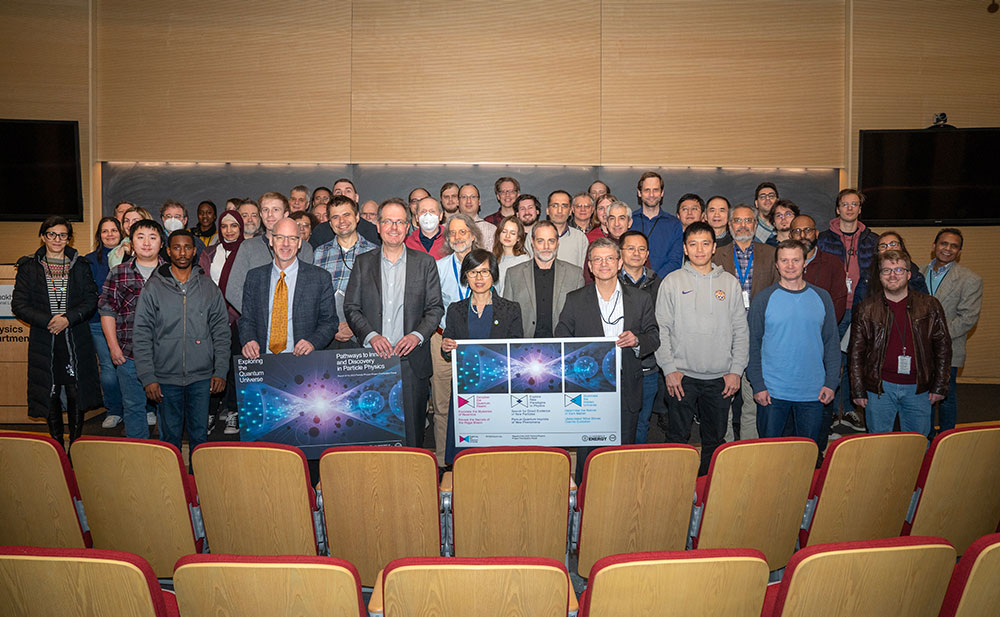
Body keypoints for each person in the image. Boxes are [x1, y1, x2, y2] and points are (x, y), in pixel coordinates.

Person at [556, 238, 659, 482]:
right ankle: (583, 505)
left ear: (619, 262)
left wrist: (636, 341)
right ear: (590, 266)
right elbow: (561, 337)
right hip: (588, 388)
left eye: (610, 258)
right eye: (597, 259)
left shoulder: (640, 299)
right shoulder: (575, 299)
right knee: (588, 455)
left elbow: (653, 336)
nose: (604, 264)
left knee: (622, 454)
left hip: (627, 385)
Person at [344, 199, 445, 447]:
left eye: (399, 221)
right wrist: (371, 336)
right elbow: (351, 307)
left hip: (411, 362)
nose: (393, 227)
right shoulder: (362, 263)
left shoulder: (425, 263)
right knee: (370, 434)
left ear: (408, 226)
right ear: (378, 226)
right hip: (370, 362)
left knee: (412, 438)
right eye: (387, 221)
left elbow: (435, 309)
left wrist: (416, 336)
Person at [655, 222, 747, 474]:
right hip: (681, 377)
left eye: (705, 243)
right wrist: (669, 368)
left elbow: (741, 330)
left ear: (714, 247)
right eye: (693, 244)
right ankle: (675, 488)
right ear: (685, 249)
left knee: (714, 441)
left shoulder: (729, 283)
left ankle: (707, 491)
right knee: (677, 439)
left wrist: (736, 370)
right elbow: (661, 328)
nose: (699, 249)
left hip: (720, 378)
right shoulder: (672, 281)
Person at [132, 230, 230, 460]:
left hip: (201, 378)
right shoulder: (153, 288)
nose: (182, 252)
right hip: (165, 379)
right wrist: (148, 377)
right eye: (176, 247)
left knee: (200, 438)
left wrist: (220, 371)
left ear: (195, 251)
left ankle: (198, 490)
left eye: (187, 247)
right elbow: (142, 334)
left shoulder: (208, 288)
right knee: (169, 439)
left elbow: (222, 332)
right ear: (168, 251)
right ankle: (173, 493)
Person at [12, 217, 100, 450]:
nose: (57, 239)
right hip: (45, 338)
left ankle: (76, 444)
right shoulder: (29, 266)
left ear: (68, 238)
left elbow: (91, 300)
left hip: (74, 337)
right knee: (49, 389)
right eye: (51, 234)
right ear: (43, 236)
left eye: (62, 235)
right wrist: (50, 321)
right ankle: (58, 445)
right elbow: (19, 305)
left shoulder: (80, 265)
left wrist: (67, 319)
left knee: (75, 389)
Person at [849, 249, 951, 436]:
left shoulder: (930, 305)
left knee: (917, 445)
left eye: (898, 270)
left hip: (919, 388)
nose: (892, 275)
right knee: (879, 444)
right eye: (886, 270)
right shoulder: (866, 308)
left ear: (909, 274)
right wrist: (858, 390)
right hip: (879, 389)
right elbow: (856, 352)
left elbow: (943, 348)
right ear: (879, 276)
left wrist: (939, 386)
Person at [748, 240, 840, 445]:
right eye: (784, 260)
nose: (790, 265)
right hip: (772, 393)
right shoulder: (763, 299)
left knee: (806, 457)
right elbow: (752, 346)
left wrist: (831, 382)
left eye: (795, 260)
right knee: (770, 456)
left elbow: (832, 343)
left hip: (813, 393)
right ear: (777, 265)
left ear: (805, 262)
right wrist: (758, 385)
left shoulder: (822, 297)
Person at [440, 250, 524, 463]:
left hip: (499, 391)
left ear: (493, 275)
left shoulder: (510, 309)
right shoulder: (455, 310)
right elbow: (447, 349)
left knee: (498, 455)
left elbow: (517, 352)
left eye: (484, 272)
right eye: (473, 272)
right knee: (466, 457)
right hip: (465, 392)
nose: (479, 278)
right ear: (465, 276)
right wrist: (446, 346)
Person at [712, 203, 778, 441]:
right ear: (730, 225)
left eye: (748, 220)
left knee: (754, 396)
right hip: (725, 336)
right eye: (737, 221)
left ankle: (750, 445)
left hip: (760, 335)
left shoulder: (771, 254)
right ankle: (727, 445)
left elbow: (778, 293)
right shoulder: (715, 255)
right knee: (724, 396)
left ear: (755, 224)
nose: (742, 225)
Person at [816, 188, 879, 428]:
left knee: (856, 361)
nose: (850, 208)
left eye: (854, 204)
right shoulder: (824, 238)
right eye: (845, 204)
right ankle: (830, 410)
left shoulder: (872, 240)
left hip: (862, 309)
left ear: (860, 209)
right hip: (833, 308)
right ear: (837, 209)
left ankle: (850, 409)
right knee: (830, 360)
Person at [100, 219, 166, 438]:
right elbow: (107, 311)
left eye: (153, 237)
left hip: (167, 356)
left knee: (168, 410)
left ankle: (169, 460)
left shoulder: (172, 273)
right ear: (131, 243)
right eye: (140, 237)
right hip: (129, 354)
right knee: (133, 407)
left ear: (161, 243)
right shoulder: (118, 273)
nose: (146, 243)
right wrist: (113, 348)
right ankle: (139, 460)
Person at [239, 217, 337, 363]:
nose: (286, 244)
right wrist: (249, 340)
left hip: (303, 362)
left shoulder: (320, 278)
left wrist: (312, 342)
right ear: (271, 241)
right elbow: (247, 319)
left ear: (299, 243)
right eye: (280, 238)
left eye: (292, 238)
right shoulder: (254, 277)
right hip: (262, 361)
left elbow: (329, 322)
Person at [430, 213, 485, 467]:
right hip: (443, 342)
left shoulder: (487, 264)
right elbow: (431, 306)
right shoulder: (438, 267)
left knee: (478, 404)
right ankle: (444, 462)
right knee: (442, 405)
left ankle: (476, 458)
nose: (458, 237)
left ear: (473, 235)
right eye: (452, 233)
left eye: (463, 232)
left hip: (479, 346)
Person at [923, 229, 982, 436]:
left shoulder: (970, 279)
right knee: (923, 397)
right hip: (919, 349)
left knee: (945, 398)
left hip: (949, 348)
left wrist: (935, 337)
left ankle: (946, 440)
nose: (947, 249)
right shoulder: (918, 273)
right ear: (934, 246)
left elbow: (968, 318)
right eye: (943, 244)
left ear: (959, 251)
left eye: (953, 246)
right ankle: (926, 438)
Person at [196, 210, 245, 433]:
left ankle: (234, 412)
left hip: (239, 320)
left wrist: (230, 316)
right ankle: (210, 412)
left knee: (235, 367)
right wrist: (215, 316)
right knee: (212, 367)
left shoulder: (248, 251)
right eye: (224, 226)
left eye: (234, 226)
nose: (229, 230)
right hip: (210, 319)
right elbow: (202, 285)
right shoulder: (209, 252)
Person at [225, 192, 314, 314]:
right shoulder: (248, 247)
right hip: (258, 324)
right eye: (265, 210)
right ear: (261, 215)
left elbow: (308, 291)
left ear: (286, 214)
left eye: (275, 209)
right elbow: (233, 290)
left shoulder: (303, 248)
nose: (270, 215)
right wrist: (257, 316)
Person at [313, 195, 378, 348]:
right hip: (327, 337)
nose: (341, 221)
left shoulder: (374, 253)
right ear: (330, 223)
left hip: (363, 336)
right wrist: (331, 327)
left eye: (346, 215)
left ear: (357, 217)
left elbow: (377, 300)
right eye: (335, 217)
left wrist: (355, 326)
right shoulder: (319, 253)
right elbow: (314, 296)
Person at [618, 230, 663, 444]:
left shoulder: (659, 284)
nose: (636, 253)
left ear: (647, 255)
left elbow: (661, 327)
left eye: (641, 249)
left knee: (642, 423)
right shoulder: (608, 281)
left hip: (647, 367)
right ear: (620, 252)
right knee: (615, 424)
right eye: (630, 248)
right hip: (615, 369)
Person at [502, 221, 584, 337]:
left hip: (563, 347)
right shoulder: (513, 274)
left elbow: (579, 320)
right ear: (532, 242)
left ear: (558, 242)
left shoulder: (575, 274)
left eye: (551, 241)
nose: (546, 247)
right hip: (524, 348)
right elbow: (507, 318)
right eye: (540, 241)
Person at [85, 217, 125, 429]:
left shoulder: (132, 255)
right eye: (104, 231)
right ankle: (115, 410)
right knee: (109, 370)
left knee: (135, 367)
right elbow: (88, 294)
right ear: (99, 235)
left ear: (121, 233)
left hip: (129, 323)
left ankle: (144, 408)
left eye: (113, 230)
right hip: (98, 323)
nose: (109, 234)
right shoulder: (89, 260)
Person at [630, 171, 683, 278]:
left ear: (662, 193)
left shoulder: (674, 224)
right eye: (647, 190)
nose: (651, 195)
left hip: (663, 283)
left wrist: (654, 280)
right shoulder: (629, 221)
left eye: (655, 190)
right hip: (632, 285)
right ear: (639, 193)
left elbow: (675, 261)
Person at [310, 179, 380, 247]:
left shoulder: (373, 231)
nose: (343, 194)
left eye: (348, 191)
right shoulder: (320, 231)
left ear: (356, 198)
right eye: (338, 192)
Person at [547, 190, 588, 268]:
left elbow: (583, 272)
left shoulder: (580, 238)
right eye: (555, 205)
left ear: (570, 211)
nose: (559, 210)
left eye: (564, 206)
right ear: (548, 210)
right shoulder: (534, 234)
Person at [493, 216, 530, 294]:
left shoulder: (523, 260)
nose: (507, 236)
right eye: (504, 231)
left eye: (512, 233)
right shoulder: (493, 259)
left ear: (518, 238)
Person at [457, 184, 497, 251]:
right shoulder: (447, 228)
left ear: (479, 202)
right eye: (464, 197)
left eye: (473, 197)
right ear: (458, 202)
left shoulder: (491, 230)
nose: (468, 201)